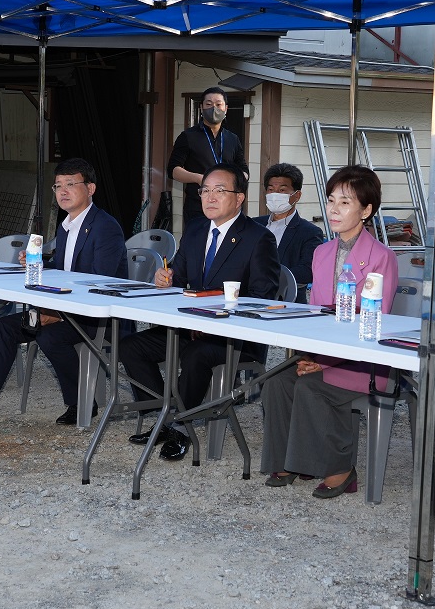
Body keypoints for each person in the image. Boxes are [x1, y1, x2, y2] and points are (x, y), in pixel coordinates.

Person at [0, 158, 127, 425]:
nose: (63, 191)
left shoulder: (105, 227)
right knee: (5, 327)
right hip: (70, 309)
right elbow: (67, 270)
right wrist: (39, 265)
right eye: (58, 186)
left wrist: (56, 312)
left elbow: (97, 282)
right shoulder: (67, 226)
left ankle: (81, 402)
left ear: (90, 188)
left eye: (70, 184)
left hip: (99, 316)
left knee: (49, 335)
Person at [119, 163, 280, 461]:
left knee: (196, 355)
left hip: (233, 336)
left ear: (239, 198)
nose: (210, 197)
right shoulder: (195, 229)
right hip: (191, 327)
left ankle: (180, 426)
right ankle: (166, 415)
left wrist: (212, 320)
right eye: (205, 191)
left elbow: (261, 298)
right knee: (131, 347)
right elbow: (179, 278)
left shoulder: (258, 238)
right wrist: (165, 278)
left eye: (219, 190)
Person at [261, 165, 399, 498]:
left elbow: (373, 323)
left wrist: (324, 363)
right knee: (277, 382)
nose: (334, 209)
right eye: (331, 200)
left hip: (363, 360)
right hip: (323, 355)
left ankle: (341, 469)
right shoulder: (322, 253)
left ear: (366, 211)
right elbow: (316, 314)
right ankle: (288, 461)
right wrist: (310, 355)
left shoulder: (382, 257)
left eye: (345, 202)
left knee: (311, 387)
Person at [168, 87, 248, 226]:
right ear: (201, 107)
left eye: (218, 104)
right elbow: (173, 170)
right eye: (209, 104)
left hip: (228, 207)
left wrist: (233, 181)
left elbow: (244, 170)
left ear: (226, 108)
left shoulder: (233, 139)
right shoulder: (188, 136)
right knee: (198, 240)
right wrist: (199, 178)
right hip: (198, 206)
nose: (214, 108)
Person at [252, 163, 323, 303]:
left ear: (297, 195)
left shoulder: (310, 232)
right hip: (249, 299)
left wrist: (269, 276)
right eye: (271, 190)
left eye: (282, 190)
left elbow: (307, 270)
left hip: (287, 303)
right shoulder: (254, 224)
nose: (275, 195)